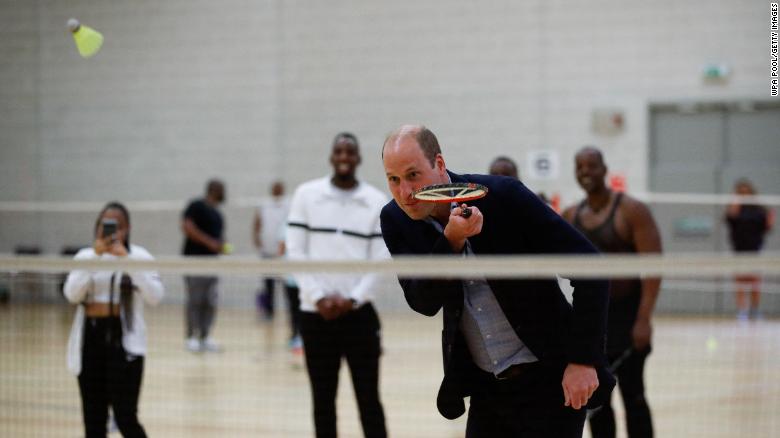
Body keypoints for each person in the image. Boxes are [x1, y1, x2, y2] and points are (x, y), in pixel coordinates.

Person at [380, 125, 613, 438]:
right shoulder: (395, 219)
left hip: (549, 380)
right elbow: (423, 302)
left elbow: (591, 269)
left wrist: (583, 360)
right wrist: (450, 243)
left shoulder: (504, 196)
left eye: (412, 175)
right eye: (393, 179)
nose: (405, 192)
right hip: (486, 389)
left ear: (438, 164)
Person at [286, 132, 388, 438]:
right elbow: (295, 250)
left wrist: (353, 300)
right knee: (322, 400)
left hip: (358, 316)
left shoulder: (375, 201)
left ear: (358, 158)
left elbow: (381, 259)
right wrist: (318, 298)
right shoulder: (306, 194)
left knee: (369, 400)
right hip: (316, 316)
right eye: (339, 152)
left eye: (350, 152)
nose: (344, 157)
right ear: (332, 157)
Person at [562, 146, 661, 438]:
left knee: (634, 395)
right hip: (592, 321)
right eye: (579, 167)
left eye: (591, 166)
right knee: (597, 399)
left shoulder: (632, 210)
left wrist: (644, 319)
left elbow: (653, 267)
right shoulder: (570, 214)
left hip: (627, 317)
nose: (585, 172)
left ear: (604, 169)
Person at [63, 202, 164, 437]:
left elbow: (155, 296)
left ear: (126, 228)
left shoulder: (139, 256)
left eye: (115, 225)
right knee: (93, 419)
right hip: (91, 338)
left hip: (124, 341)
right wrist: (95, 259)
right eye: (104, 224)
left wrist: (126, 260)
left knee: (126, 416)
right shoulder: (85, 256)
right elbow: (71, 294)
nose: (109, 230)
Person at [181, 179, 227, 353]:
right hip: (195, 261)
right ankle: (191, 337)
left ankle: (205, 336)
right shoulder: (196, 206)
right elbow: (187, 226)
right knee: (195, 300)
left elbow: (219, 238)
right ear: (213, 190)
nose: (224, 192)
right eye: (221, 189)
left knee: (210, 301)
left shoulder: (218, 214)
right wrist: (209, 242)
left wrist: (222, 245)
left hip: (212, 264)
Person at [725, 178, 774, 321]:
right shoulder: (734, 209)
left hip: (755, 251)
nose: (744, 195)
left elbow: (766, 227)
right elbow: (730, 218)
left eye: (746, 192)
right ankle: (742, 310)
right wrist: (735, 203)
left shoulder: (759, 211)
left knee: (755, 282)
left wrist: (770, 222)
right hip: (739, 251)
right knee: (740, 282)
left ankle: (755, 309)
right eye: (741, 192)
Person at [252, 180, 290, 319]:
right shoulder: (264, 205)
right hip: (267, 252)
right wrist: (256, 239)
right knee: (268, 285)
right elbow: (257, 223)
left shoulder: (289, 204)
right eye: (275, 188)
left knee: (287, 286)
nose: (277, 190)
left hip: (283, 254)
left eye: (279, 188)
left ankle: (289, 313)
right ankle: (269, 312)